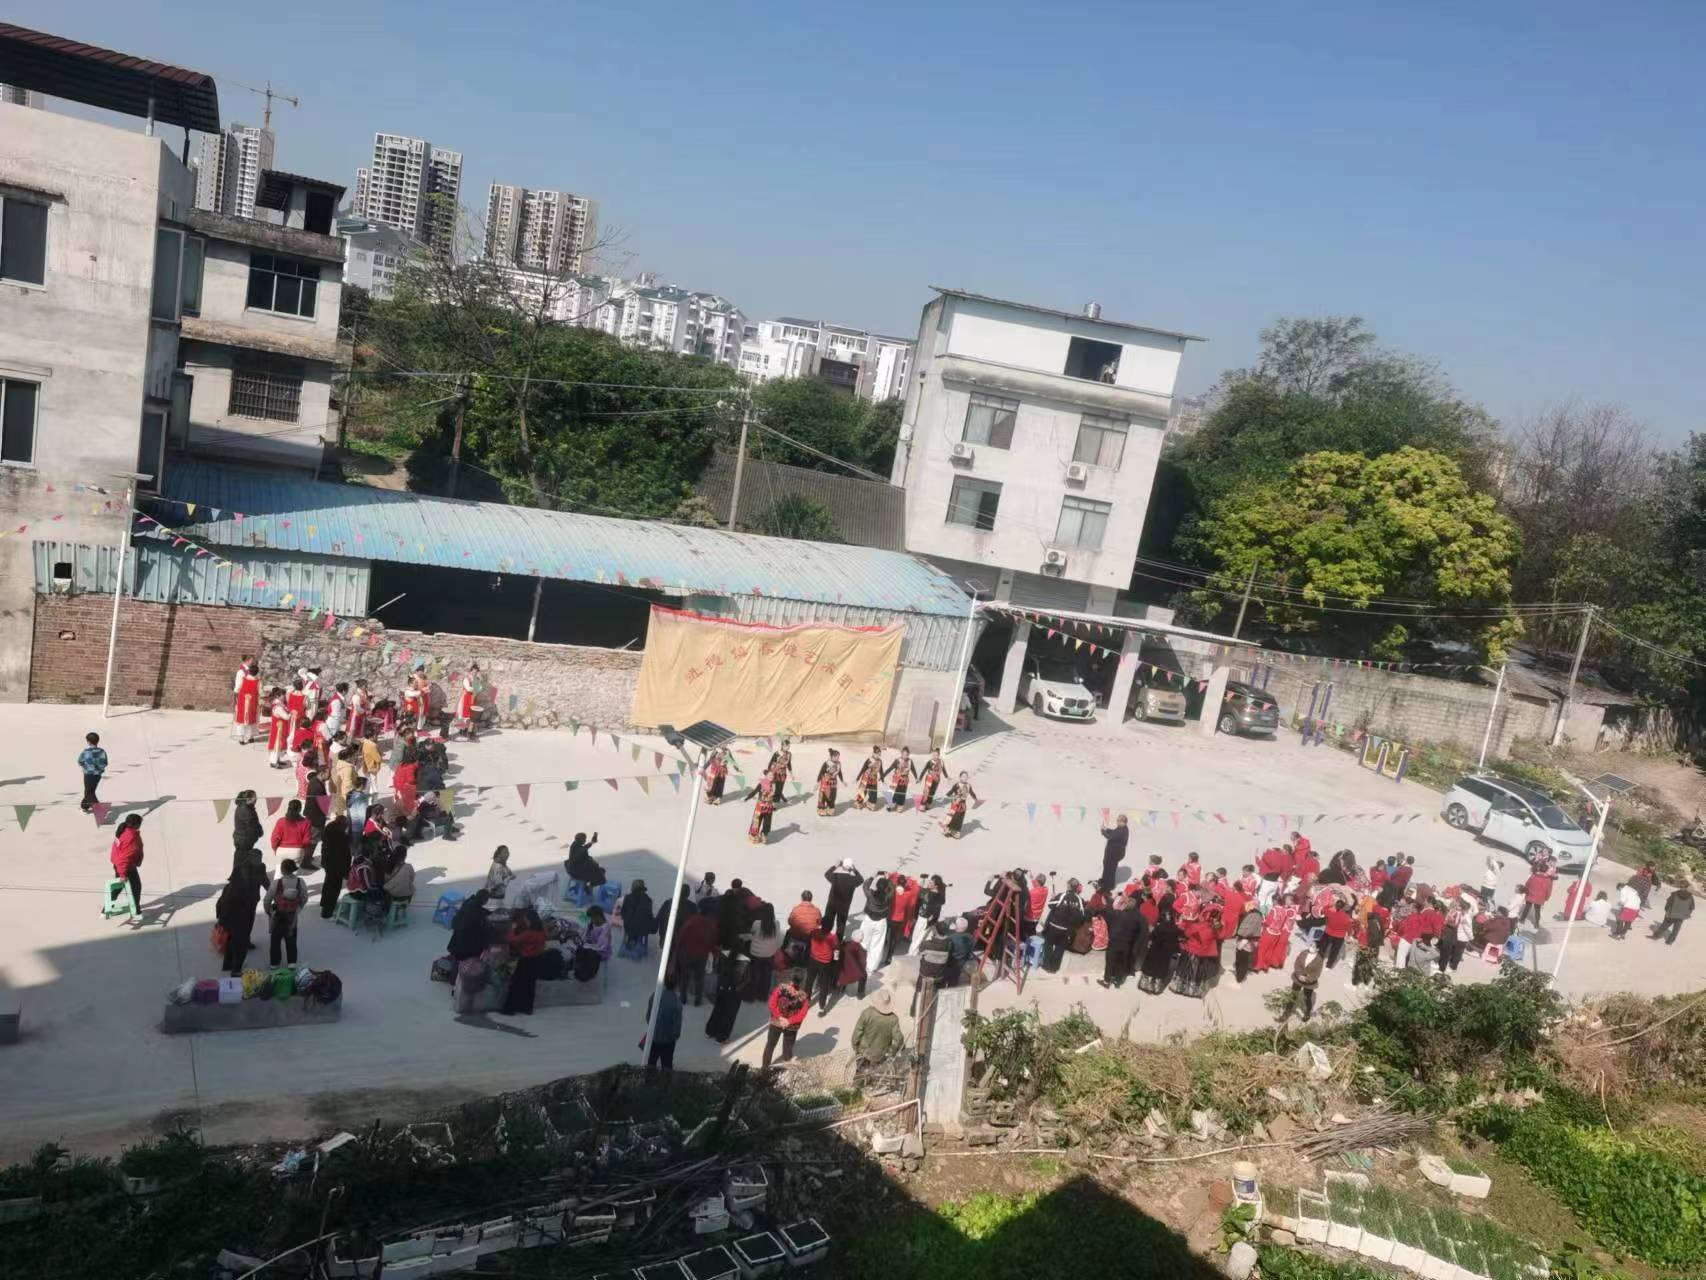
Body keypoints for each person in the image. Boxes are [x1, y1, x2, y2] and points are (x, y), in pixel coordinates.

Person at [216, 850, 267, 975]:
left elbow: (264, 880)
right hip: (239, 914)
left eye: (260, 859)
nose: (259, 861)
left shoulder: (260, 867)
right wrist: (221, 920)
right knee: (239, 943)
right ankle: (236, 970)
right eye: (256, 859)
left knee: (234, 938)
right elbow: (223, 904)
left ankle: (228, 964)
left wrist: (272, 891)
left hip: (245, 909)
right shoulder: (237, 882)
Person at [499, 908, 549, 1015]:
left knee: (516, 984)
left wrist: (511, 930)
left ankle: (509, 1009)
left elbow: (513, 940)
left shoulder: (529, 933)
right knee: (530, 985)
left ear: (530, 920)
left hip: (526, 960)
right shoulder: (542, 932)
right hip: (536, 960)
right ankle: (526, 1008)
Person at [675, 899, 720, 1005]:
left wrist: (678, 946)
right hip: (702, 955)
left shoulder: (692, 920)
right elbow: (713, 940)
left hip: (687, 953)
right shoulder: (713, 923)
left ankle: (683, 997)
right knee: (699, 978)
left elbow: (682, 934)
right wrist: (715, 953)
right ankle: (698, 1000)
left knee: (685, 976)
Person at [1098, 894, 1147, 989]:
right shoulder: (1138, 918)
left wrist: (1107, 904)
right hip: (1127, 944)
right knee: (1121, 963)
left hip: (1114, 942)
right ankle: (1118, 981)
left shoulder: (1117, 914)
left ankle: (1106, 981)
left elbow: (1104, 913)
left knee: (1110, 962)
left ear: (1125, 905)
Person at [265, 858, 307, 965]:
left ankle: (275, 964)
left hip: (277, 915)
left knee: (275, 941)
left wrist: (269, 911)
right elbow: (304, 898)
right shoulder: (300, 882)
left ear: (282, 870)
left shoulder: (276, 883)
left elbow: (267, 900)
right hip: (292, 916)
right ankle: (292, 964)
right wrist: (298, 909)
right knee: (291, 940)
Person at [1040, 879, 1086, 973]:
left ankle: (1046, 965)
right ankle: (1054, 967)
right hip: (1067, 929)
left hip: (1054, 926)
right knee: (1060, 948)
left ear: (1068, 886)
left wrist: (1053, 898)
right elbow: (1082, 915)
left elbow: (1050, 905)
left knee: (1048, 944)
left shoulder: (1062, 895)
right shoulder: (1079, 900)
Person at [704, 948, 749, 1043]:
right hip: (734, 992)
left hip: (722, 987)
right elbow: (745, 979)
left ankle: (710, 1031)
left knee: (718, 1010)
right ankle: (721, 1036)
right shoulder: (745, 961)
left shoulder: (724, 955)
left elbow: (719, 970)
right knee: (729, 1014)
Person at [853, 988, 904, 1068]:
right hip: (880, 1055)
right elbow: (899, 1039)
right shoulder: (893, 1019)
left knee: (861, 1072)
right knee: (875, 1072)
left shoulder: (867, 1013)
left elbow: (857, 1033)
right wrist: (891, 1050)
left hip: (863, 1052)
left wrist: (855, 1047)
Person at [763, 980, 809, 1068]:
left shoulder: (780, 990)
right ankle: (772, 1067)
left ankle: (765, 1068)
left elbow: (772, 1004)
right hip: (787, 1025)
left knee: (774, 1046)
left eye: (795, 989)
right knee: (779, 1047)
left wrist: (785, 1020)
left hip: (781, 1023)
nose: (793, 992)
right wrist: (784, 1019)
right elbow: (802, 1014)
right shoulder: (804, 997)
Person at [106, 813, 145, 912]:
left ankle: (107, 907)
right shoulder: (130, 837)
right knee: (135, 887)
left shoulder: (124, 830)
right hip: (126, 866)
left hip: (121, 865)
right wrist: (122, 874)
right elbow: (124, 857)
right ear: (136, 824)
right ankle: (135, 909)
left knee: (120, 887)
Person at [318, 811, 353, 919]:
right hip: (337, 866)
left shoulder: (329, 830)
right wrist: (346, 871)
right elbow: (345, 855)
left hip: (328, 863)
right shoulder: (341, 837)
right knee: (334, 888)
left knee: (328, 884)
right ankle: (327, 911)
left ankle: (324, 904)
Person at [1136, 911, 1182, 994]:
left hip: (1155, 950)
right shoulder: (1175, 929)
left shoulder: (1160, 927)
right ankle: (1155, 988)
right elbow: (1177, 942)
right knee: (1160, 970)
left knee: (1150, 968)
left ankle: (1145, 986)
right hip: (1165, 953)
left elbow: (1152, 936)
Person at [1253, 897, 1299, 972]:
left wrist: (1263, 921)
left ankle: (1258, 965)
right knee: (1270, 949)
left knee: (1262, 949)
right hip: (1277, 933)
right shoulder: (1285, 911)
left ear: (1275, 901)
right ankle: (1265, 965)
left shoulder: (1274, 909)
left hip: (1269, 932)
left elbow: (1268, 922)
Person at [856, 871, 894, 964]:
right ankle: (871, 966)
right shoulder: (887, 896)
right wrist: (888, 880)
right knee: (877, 945)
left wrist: (872, 877)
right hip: (881, 922)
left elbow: (865, 886)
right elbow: (892, 889)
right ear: (886, 887)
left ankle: (859, 962)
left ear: (876, 886)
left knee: (863, 941)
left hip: (869, 919)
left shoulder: (871, 894)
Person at [646, 986, 682, 1078]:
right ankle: (666, 1082)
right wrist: (676, 1034)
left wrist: (653, 1028)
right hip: (668, 1040)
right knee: (667, 1065)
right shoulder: (676, 1000)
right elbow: (677, 1022)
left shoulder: (654, 996)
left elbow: (648, 1017)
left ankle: (649, 1081)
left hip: (654, 1037)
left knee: (651, 1063)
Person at [447, 889, 492, 962]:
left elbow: (479, 910)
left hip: (456, 943)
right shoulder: (477, 913)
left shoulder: (468, 902)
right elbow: (481, 930)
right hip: (466, 948)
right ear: (485, 900)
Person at [823, 859, 862, 940]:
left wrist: (835, 866)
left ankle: (824, 939)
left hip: (832, 904)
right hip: (844, 906)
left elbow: (827, 874)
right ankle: (838, 942)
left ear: (842, 866)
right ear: (851, 868)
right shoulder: (853, 879)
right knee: (841, 925)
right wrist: (855, 870)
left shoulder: (836, 876)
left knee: (828, 922)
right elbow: (861, 879)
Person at [805, 923, 839, 1010]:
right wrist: (836, 961)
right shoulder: (833, 937)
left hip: (813, 960)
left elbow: (808, 943)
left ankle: (806, 1001)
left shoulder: (814, 932)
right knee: (824, 984)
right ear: (831, 927)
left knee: (809, 981)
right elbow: (836, 950)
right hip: (825, 963)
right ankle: (822, 1005)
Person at [1352, 908, 1386, 987]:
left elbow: (1372, 936)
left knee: (1359, 964)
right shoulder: (1379, 922)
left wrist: (1368, 946)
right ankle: (1366, 981)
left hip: (1368, 946)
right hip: (1375, 947)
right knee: (1369, 965)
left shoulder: (1371, 923)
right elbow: (1381, 934)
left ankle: (1355, 982)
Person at [1291, 945, 1326, 1021]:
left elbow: (1317, 974)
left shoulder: (1319, 959)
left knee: (1307, 998)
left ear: (1317, 949)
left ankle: (1307, 1013)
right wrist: (1299, 975)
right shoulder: (1304, 952)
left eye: (1313, 946)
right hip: (1298, 978)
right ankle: (1286, 1013)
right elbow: (1297, 964)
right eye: (1311, 945)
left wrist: (1307, 979)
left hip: (1309, 983)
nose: (1311, 947)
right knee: (1293, 995)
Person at [576, 906, 612, 981]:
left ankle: (589, 973)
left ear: (598, 916)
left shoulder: (605, 928)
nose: (591, 920)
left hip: (601, 951)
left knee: (590, 954)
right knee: (579, 950)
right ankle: (579, 971)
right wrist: (582, 942)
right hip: (589, 946)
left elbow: (602, 945)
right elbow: (584, 936)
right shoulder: (591, 924)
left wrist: (587, 945)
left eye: (592, 917)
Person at [620, 880, 655, 955]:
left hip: (629, 926)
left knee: (632, 922)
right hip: (643, 928)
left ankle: (631, 940)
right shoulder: (648, 900)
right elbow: (649, 915)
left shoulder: (628, 897)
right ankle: (638, 940)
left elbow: (623, 912)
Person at [941, 773, 979, 838]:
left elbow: (972, 793)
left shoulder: (968, 785)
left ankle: (956, 831)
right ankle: (948, 829)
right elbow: (951, 791)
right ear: (960, 777)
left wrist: (975, 799)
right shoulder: (957, 785)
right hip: (956, 802)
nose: (965, 778)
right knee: (953, 816)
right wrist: (946, 795)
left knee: (960, 818)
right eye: (963, 776)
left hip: (963, 804)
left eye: (966, 776)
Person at [77, 731, 108, 814]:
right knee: (89, 791)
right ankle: (84, 806)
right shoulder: (102, 751)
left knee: (89, 792)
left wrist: (86, 767)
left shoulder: (86, 752)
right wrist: (99, 769)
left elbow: (80, 761)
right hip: (97, 775)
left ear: (88, 742)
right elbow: (105, 763)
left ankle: (100, 811)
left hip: (88, 774)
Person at [1519, 862, 1556, 929]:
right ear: (1546, 870)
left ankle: (1522, 919)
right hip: (1540, 897)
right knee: (1537, 910)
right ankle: (1536, 924)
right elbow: (1548, 890)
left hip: (1530, 894)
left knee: (1527, 907)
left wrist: (1526, 892)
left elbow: (1527, 884)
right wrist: (1547, 897)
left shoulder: (1534, 876)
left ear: (1539, 868)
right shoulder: (1548, 880)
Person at [232, 659, 261, 743]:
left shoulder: (243, 679)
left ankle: (241, 738)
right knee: (252, 718)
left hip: (242, 701)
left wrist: (236, 698)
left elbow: (237, 689)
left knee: (241, 719)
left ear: (249, 671)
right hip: (253, 703)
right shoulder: (258, 682)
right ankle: (251, 737)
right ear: (257, 673)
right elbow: (260, 692)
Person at [231, 791, 263, 869]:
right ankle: (238, 874)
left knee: (241, 858)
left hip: (242, 838)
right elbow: (251, 825)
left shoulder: (247, 807)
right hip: (243, 839)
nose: (256, 799)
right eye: (254, 797)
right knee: (241, 859)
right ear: (249, 799)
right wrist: (258, 832)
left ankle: (240, 873)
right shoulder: (245, 809)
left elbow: (254, 823)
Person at [1099, 814, 1129, 893]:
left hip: (1115, 853)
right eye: (1117, 820)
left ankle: (1108, 886)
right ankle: (1104, 881)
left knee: (1110, 869)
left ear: (1123, 822)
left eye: (1118, 821)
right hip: (1112, 852)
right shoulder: (1121, 828)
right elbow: (1114, 832)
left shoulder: (1122, 830)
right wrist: (1106, 829)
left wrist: (1103, 832)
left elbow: (1111, 837)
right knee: (1106, 865)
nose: (1117, 822)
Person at [745, 773, 777, 846]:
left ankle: (764, 834)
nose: (771, 777)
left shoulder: (774, 785)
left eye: (772, 776)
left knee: (767, 822)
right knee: (756, 821)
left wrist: (774, 805)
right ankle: (753, 835)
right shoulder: (761, 783)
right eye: (770, 775)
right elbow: (755, 791)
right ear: (766, 776)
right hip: (760, 806)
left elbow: (775, 796)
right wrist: (747, 798)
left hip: (769, 806)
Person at [837, 932, 870, 1002]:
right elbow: (863, 964)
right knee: (864, 975)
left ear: (852, 936)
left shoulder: (844, 944)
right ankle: (860, 994)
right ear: (861, 939)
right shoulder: (862, 950)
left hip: (843, 971)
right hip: (853, 974)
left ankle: (842, 988)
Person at [1321, 896, 1352, 968]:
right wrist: (1349, 935)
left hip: (1328, 932)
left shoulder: (1330, 913)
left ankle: (1319, 959)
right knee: (1334, 952)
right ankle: (1329, 965)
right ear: (1343, 907)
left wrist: (1329, 905)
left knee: (1323, 947)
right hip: (1339, 936)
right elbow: (1349, 928)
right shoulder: (1346, 917)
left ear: (1335, 906)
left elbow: (1323, 909)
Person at [885, 747, 918, 811]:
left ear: (908, 755)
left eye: (906, 754)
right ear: (901, 754)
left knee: (902, 793)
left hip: (905, 779)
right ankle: (891, 804)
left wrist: (916, 778)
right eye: (904, 754)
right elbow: (890, 768)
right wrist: (883, 775)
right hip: (896, 779)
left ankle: (900, 805)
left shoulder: (910, 761)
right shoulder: (897, 760)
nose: (905, 756)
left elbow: (913, 770)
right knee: (895, 792)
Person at [454, 664, 481, 740]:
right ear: (471, 671)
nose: (474, 673)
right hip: (466, 698)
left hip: (473, 698)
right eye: (473, 671)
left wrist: (477, 688)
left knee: (472, 715)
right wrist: (476, 688)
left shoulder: (477, 679)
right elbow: (468, 688)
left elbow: (480, 688)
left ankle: (469, 731)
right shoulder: (466, 679)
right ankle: (464, 730)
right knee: (465, 715)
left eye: (476, 672)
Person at [814, 749, 844, 817]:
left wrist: (842, 781)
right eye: (837, 757)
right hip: (825, 782)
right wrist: (817, 783)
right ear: (832, 756)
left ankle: (830, 808)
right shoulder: (826, 763)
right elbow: (821, 773)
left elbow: (839, 773)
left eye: (838, 757)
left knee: (832, 796)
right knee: (823, 796)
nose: (838, 758)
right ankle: (821, 809)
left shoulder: (838, 764)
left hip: (833, 783)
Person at [765, 737, 794, 804]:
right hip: (775, 773)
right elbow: (770, 763)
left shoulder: (789, 754)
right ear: (783, 746)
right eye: (787, 746)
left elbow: (789, 764)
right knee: (774, 789)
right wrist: (769, 773)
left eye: (789, 746)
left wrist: (791, 774)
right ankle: (772, 803)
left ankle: (776, 801)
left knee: (780, 789)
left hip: (783, 774)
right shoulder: (777, 753)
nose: (788, 747)